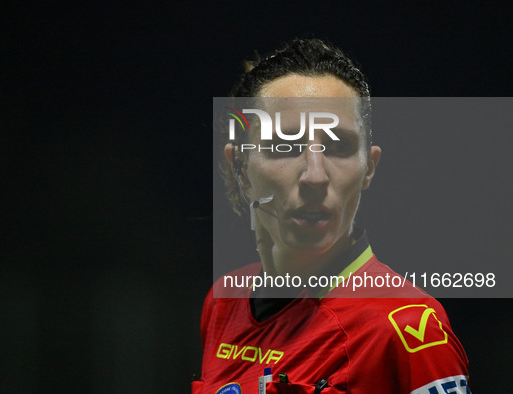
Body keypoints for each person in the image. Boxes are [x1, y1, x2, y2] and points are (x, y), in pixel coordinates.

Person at [194, 39, 471, 394]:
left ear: (369, 168)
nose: (315, 176)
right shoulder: (222, 303)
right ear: (240, 169)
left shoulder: (407, 327)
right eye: (285, 146)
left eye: (339, 146)